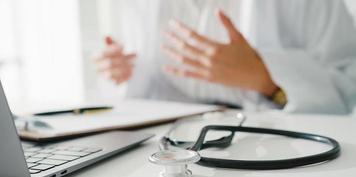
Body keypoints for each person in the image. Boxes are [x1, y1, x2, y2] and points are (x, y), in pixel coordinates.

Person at [95, 0, 356, 114]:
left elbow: (347, 89)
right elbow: (148, 84)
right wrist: (123, 71)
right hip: (175, 145)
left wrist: (267, 81)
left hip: (281, 146)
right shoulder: (138, 5)